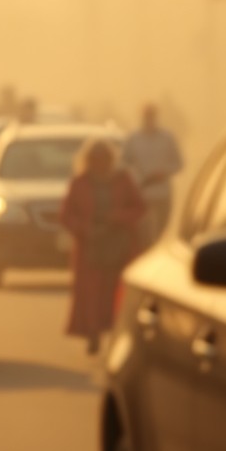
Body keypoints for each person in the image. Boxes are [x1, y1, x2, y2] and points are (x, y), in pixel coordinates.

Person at [60, 138, 146, 356]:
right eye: (95, 159)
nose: (99, 163)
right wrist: (84, 229)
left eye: (104, 158)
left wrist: (117, 217)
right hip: (90, 247)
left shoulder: (123, 179)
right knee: (92, 294)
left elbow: (139, 207)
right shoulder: (79, 183)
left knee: (116, 293)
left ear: (111, 159)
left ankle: (118, 334)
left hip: (121, 245)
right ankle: (93, 333)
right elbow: (66, 215)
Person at [122, 103, 184, 251]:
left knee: (161, 230)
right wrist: (135, 175)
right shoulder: (133, 139)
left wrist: (164, 172)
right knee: (143, 233)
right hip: (141, 193)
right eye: (146, 116)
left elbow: (179, 163)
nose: (148, 119)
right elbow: (123, 162)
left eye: (151, 115)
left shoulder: (167, 138)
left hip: (162, 192)